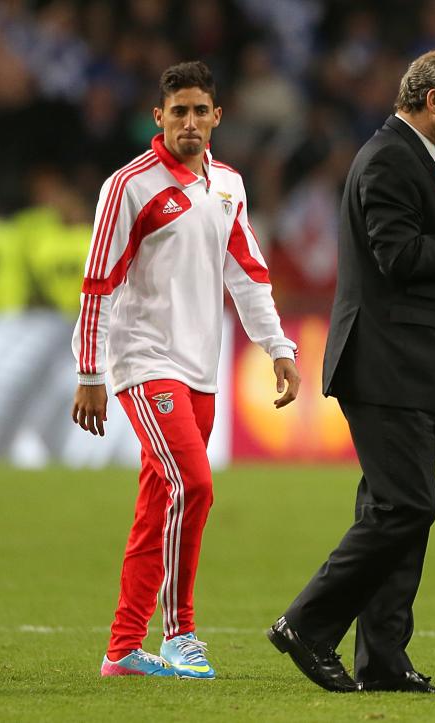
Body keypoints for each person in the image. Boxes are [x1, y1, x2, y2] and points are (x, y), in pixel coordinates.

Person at [267, 46, 435, 694]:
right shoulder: (387, 160)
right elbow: (398, 256)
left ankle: (384, 657)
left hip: (414, 363)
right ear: (433, 101)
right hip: (385, 364)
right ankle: (306, 623)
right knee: (407, 505)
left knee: (394, 505)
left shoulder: (416, 160)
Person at [71, 61, 299, 679]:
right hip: (145, 361)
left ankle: (122, 649)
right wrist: (90, 372)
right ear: (159, 117)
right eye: (179, 112)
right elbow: (99, 284)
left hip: (202, 367)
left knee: (158, 503)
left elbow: (248, 273)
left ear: (218, 117)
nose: (190, 122)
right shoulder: (130, 186)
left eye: (201, 111)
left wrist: (279, 347)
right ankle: (179, 633)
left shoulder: (227, 184)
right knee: (193, 486)